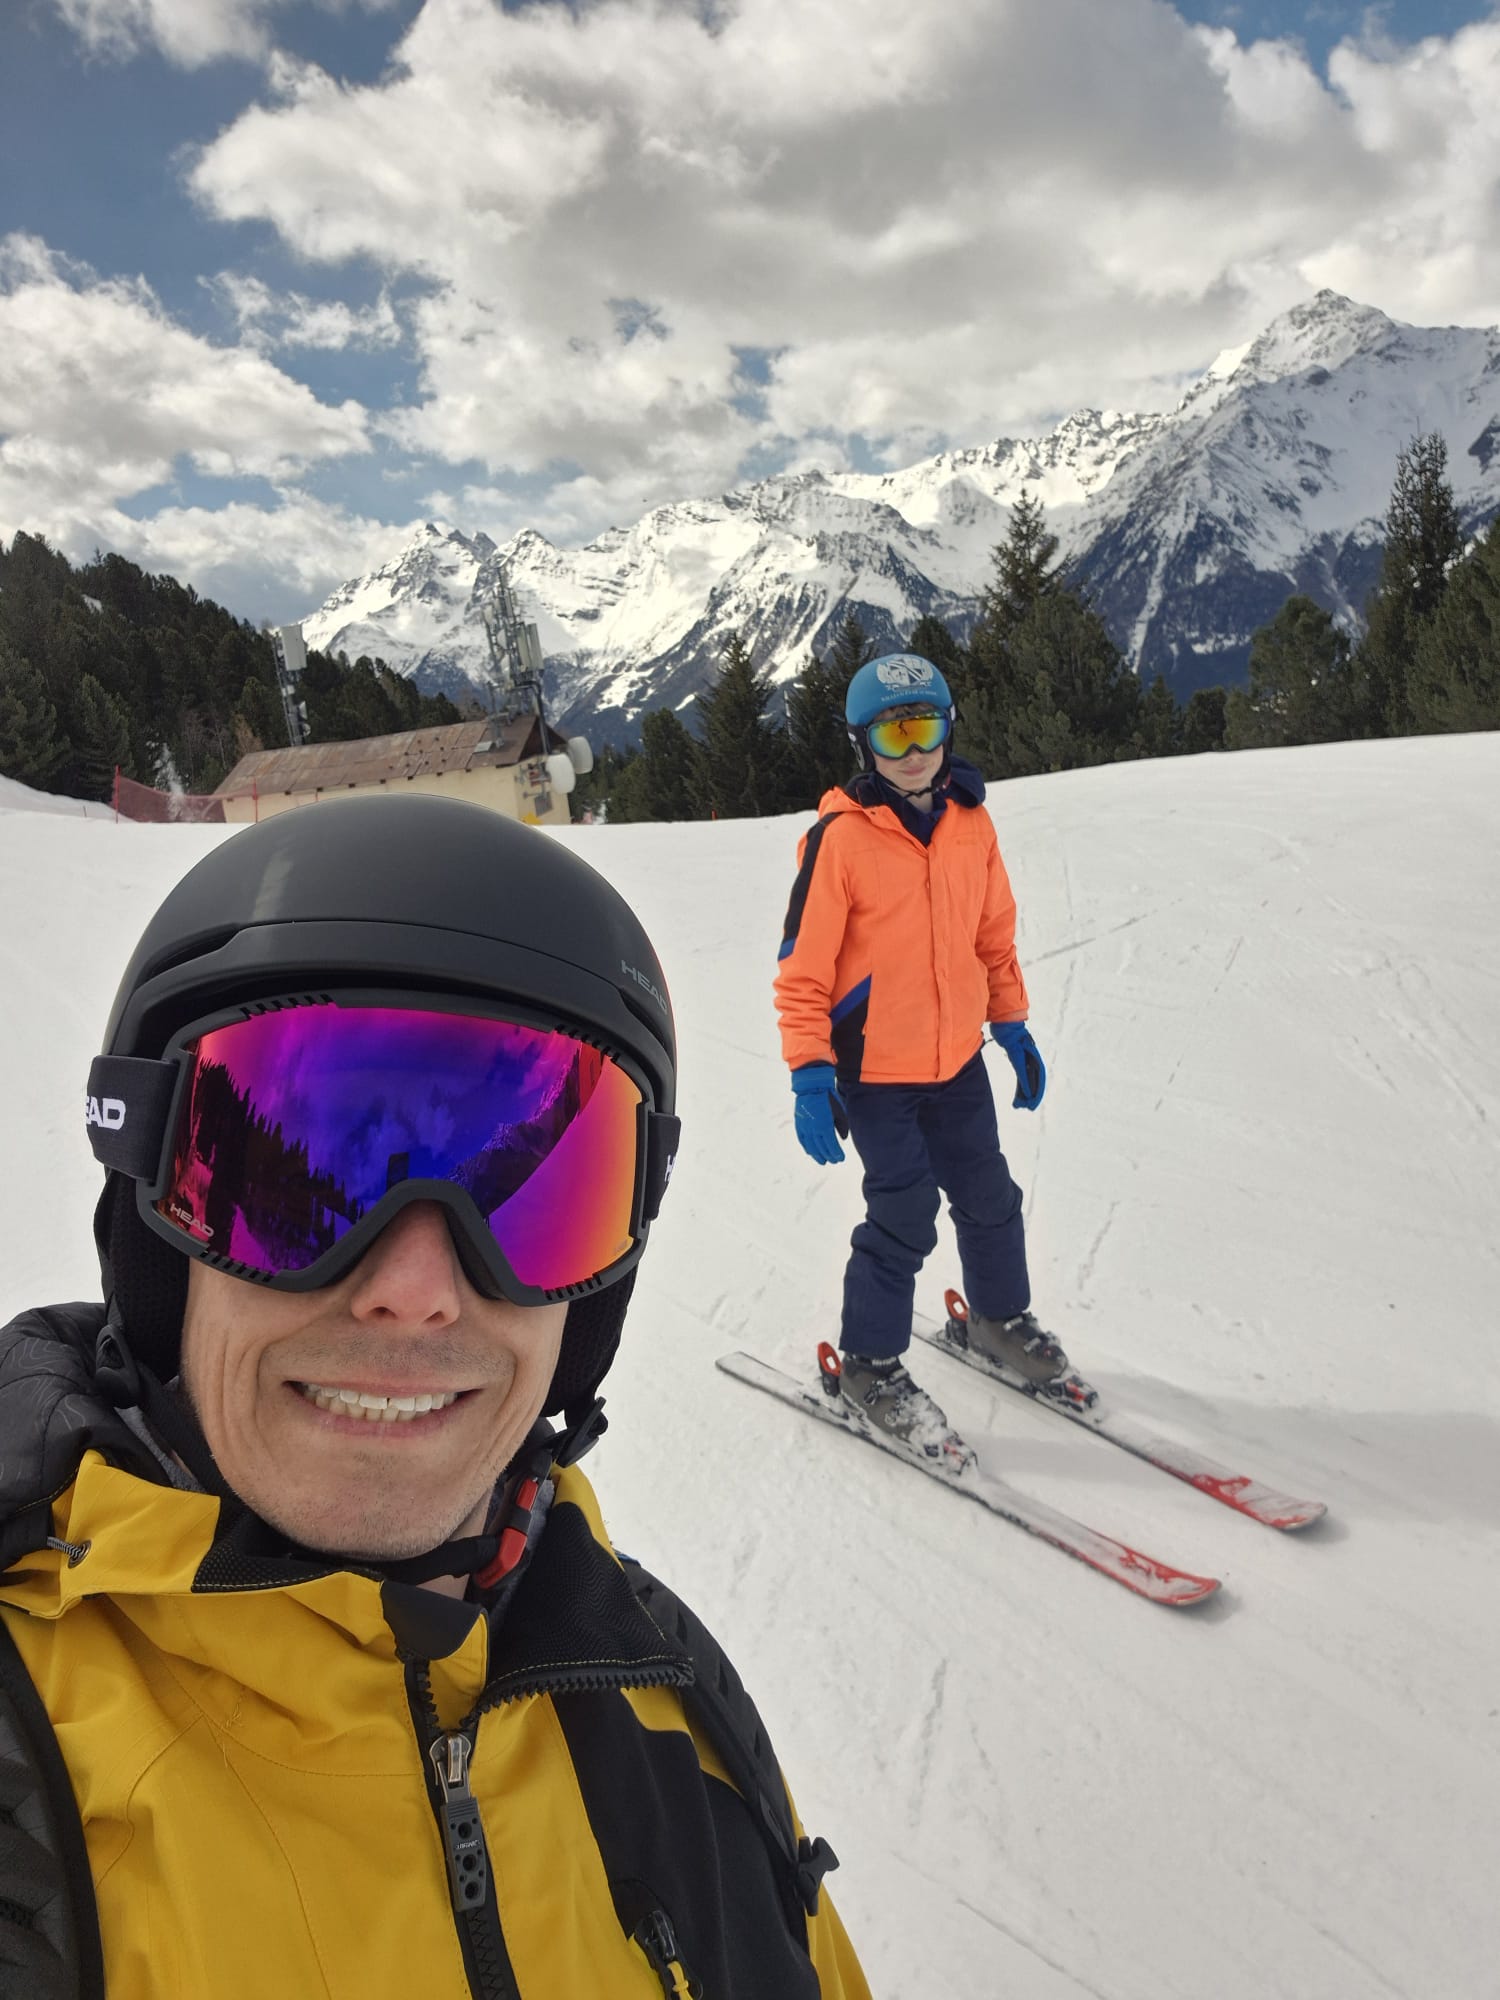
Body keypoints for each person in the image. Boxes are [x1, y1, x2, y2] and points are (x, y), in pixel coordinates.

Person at [0, 794, 871, 2000]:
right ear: (157, 1245)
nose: (414, 1291)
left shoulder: (665, 1699)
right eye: (300, 1175)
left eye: (529, 1196)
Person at [773, 652, 1071, 1465]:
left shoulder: (972, 824)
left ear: (948, 730)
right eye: (893, 735)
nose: (913, 752)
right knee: (903, 1213)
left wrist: (1011, 1025)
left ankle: (998, 1319)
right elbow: (802, 969)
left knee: (990, 1196)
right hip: (877, 1075)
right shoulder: (839, 841)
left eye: (926, 729)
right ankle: (869, 1365)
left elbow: (992, 938)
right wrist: (811, 1072)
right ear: (862, 744)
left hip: (958, 1061)